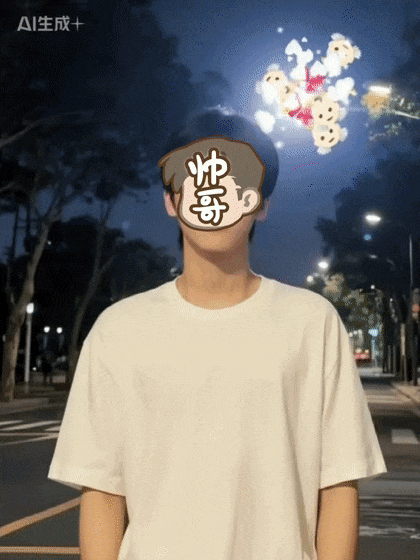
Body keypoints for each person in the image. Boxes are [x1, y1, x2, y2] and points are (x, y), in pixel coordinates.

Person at [48, 109, 387, 560]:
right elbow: (103, 494)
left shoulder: (312, 322)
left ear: (261, 204)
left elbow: (339, 484)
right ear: (172, 200)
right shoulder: (119, 330)